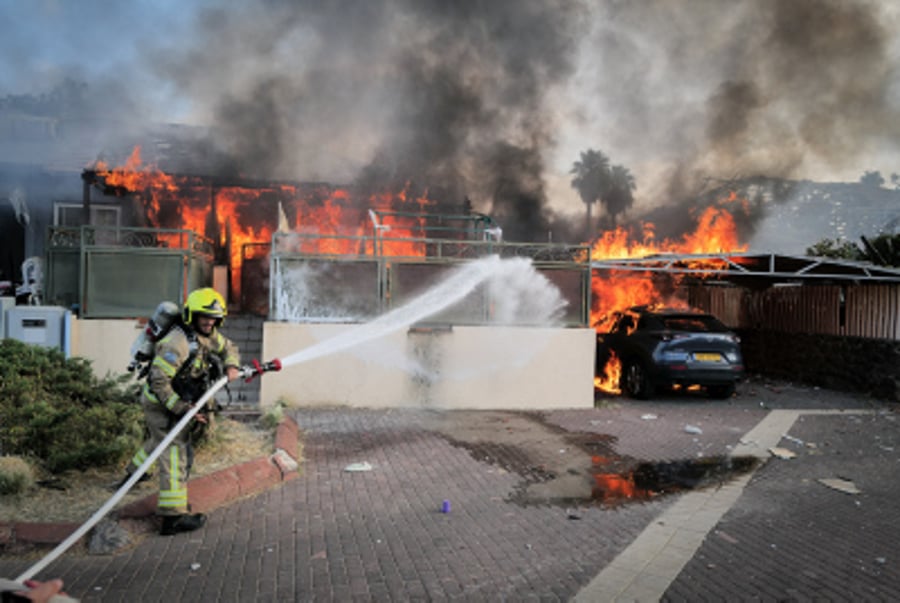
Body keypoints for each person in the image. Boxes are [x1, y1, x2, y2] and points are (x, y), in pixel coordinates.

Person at [119, 287, 241, 536]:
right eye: (204, 317)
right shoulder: (178, 342)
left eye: (214, 318)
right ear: (191, 315)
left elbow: (229, 347)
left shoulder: (208, 334)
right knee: (175, 453)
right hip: (162, 404)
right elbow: (159, 381)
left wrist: (231, 365)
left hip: (180, 399)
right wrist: (182, 409)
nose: (210, 322)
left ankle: (134, 474)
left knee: (159, 441)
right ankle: (172, 518)